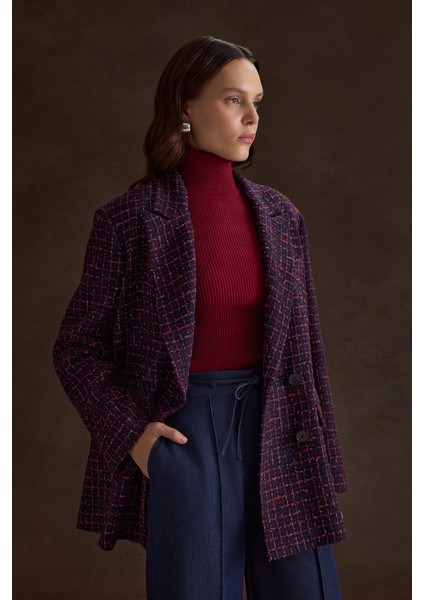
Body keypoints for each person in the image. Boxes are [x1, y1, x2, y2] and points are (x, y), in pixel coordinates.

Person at [52, 36, 349, 600]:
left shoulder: (282, 216)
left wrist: (323, 455)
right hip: (187, 433)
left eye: (257, 102)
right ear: (185, 106)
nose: (253, 117)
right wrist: (133, 436)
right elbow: (76, 349)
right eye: (234, 99)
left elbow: (306, 349)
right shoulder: (130, 220)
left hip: (280, 426)